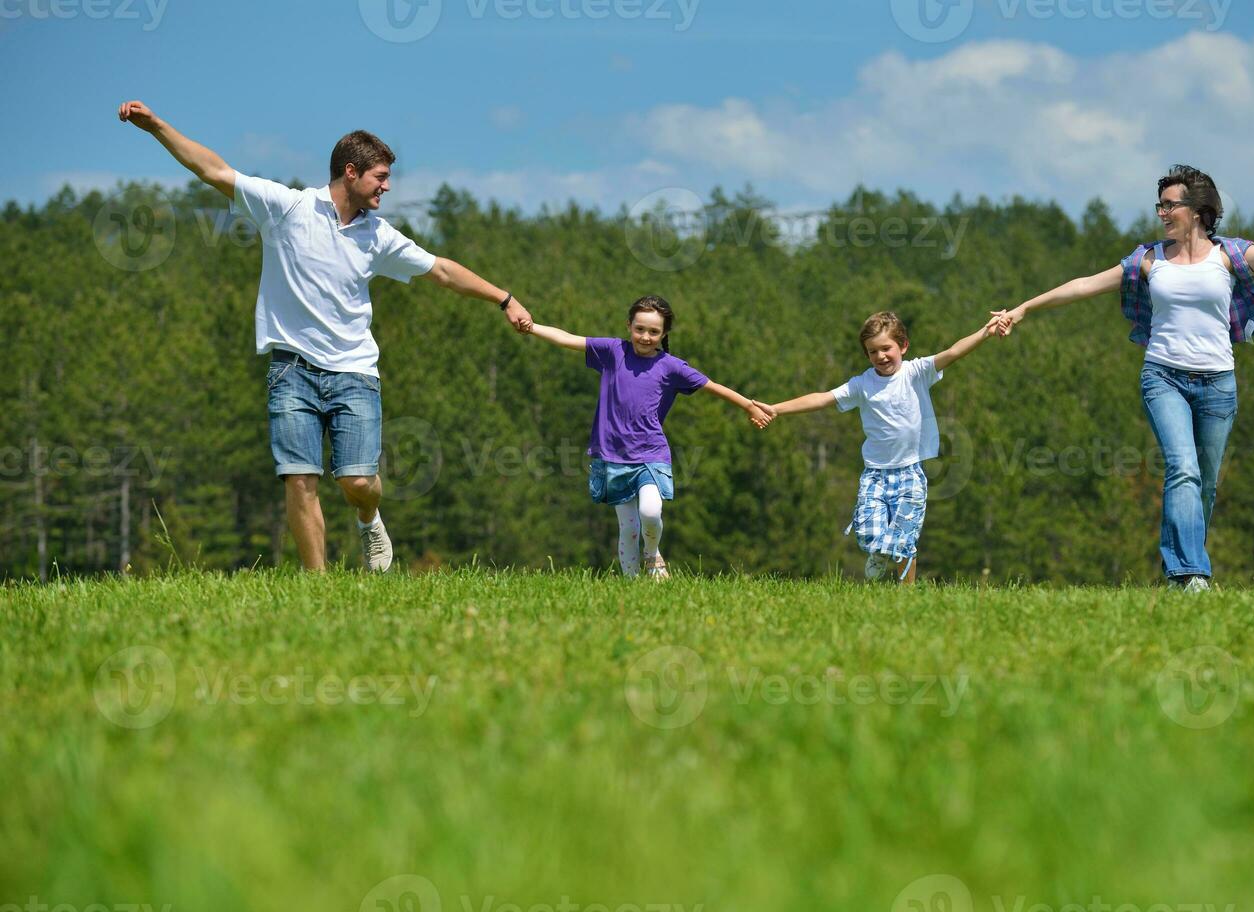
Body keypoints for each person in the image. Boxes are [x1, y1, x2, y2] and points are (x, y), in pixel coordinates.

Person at [116, 100, 535, 572]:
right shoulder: (288, 207)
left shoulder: (378, 236)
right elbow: (214, 170)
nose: (387, 186)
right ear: (350, 173)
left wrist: (504, 298)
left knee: (357, 482)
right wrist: (155, 127)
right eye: (380, 177)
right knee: (300, 478)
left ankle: (370, 517)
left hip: (355, 372)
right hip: (291, 370)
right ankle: (317, 586)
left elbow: (440, 270)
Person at [987, 165, 1254, 591]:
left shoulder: (1229, 255)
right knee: (1183, 470)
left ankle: (1181, 568)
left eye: (1168, 205)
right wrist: (1023, 309)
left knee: (1205, 483)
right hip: (1163, 378)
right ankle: (1190, 573)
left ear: (1197, 211)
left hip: (1218, 385)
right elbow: (1083, 285)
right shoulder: (1148, 260)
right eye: (1159, 205)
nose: (1161, 213)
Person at [522, 295, 772, 579]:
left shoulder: (671, 367)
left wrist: (749, 406)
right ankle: (632, 586)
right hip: (613, 455)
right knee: (628, 528)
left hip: (651, 454)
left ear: (664, 333)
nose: (645, 336)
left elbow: (712, 386)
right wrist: (532, 328)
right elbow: (568, 339)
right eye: (640, 329)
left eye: (654, 331)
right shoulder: (613, 351)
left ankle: (652, 553)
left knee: (651, 512)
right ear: (629, 326)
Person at [759, 312, 1003, 584]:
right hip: (875, 474)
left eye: (886, 348)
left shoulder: (917, 372)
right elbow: (821, 399)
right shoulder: (862, 385)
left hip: (910, 473)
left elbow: (954, 351)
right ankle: (878, 552)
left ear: (903, 346)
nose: (881, 356)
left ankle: (905, 596)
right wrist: (776, 409)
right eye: (872, 351)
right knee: (866, 532)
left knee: (904, 539)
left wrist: (985, 332)